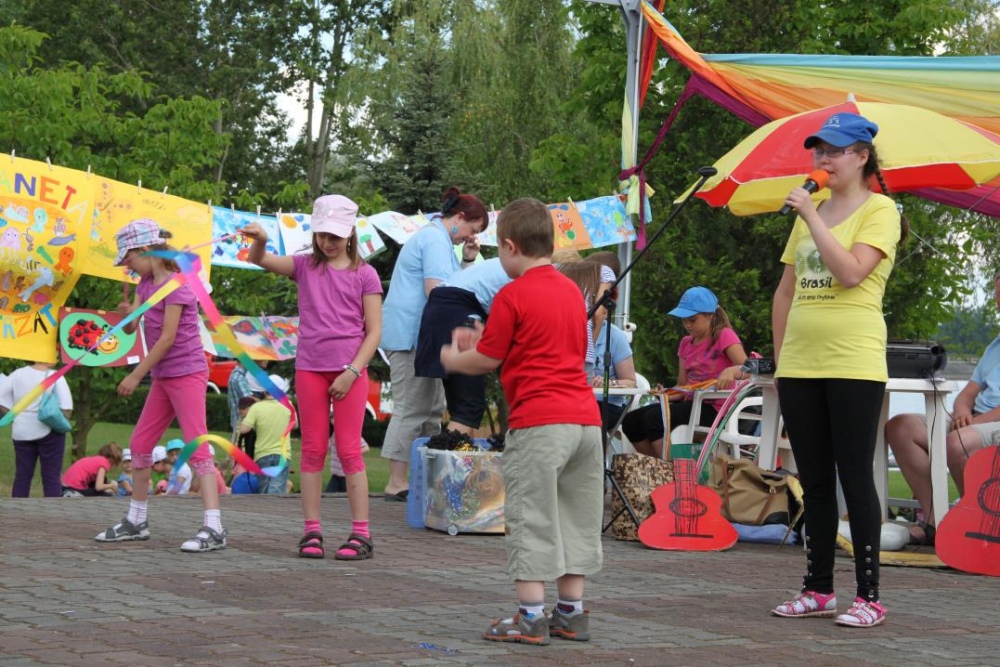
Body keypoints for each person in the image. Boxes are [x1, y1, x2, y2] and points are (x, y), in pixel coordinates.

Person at [440, 197, 603, 646]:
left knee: (532, 517)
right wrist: (486, 341)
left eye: (499, 250)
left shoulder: (512, 295)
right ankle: (570, 613)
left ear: (511, 247)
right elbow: (549, 347)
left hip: (540, 423)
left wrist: (454, 357)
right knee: (575, 519)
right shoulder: (572, 292)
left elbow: (488, 359)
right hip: (585, 423)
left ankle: (530, 617)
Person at [770, 112, 905, 628]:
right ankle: (818, 588)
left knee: (854, 474)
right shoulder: (812, 214)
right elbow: (785, 292)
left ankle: (869, 595)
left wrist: (812, 217)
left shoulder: (881, 210)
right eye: (817, 150)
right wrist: (781, 362)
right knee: (814, 480)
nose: (822, 159)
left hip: (853, 360)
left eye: (833, 150)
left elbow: (851, 273)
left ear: (862, 156)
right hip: (800, 362)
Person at [242, 194, 382, 560]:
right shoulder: (304, 266)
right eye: (322, 234)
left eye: (335, 235)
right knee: (313, 450)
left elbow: (374, 332)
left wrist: (352, 372)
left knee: (349, 450)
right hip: (310, 369)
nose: (328, 242)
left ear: (350, 233)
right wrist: (260, 239)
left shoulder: (365, 275)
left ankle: (361, 534)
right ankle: (311, 530)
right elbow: (258, 259)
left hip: (350, 372)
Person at [95, 218, 227, 552]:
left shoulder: (178, 285)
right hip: (163, 376)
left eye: (129, 259)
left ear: (144, 250)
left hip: (187, 372)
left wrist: (135, 375)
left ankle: (214, 527)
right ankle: (136, 521)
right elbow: (132, 328)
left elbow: (167, 338)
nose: (128, 267)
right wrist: (127, 315)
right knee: (140, 444)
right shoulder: (145, 284)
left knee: (197, 445)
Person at [380, 187, 488, 501]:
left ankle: (422, 478)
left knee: (431, 411)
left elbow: (451, 286)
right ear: (460, 217)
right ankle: (396, 482)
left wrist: (467, 261)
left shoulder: (439, 241)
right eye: (472, 229)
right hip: (410, 337)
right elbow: (439, 292)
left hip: (422, 338)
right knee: (412, 409)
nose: (470, 237)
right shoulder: (435, 240)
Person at [885, 270, 1000, 545]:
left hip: (987, 423)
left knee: (957, 442)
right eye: (998, 296)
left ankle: (978, 527)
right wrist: (962, 411)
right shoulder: (995, 345)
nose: (999, 302)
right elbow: (968, 392)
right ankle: (936, 521)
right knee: (900, 427)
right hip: (974, 421)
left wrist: (972, 423)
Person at [620, 287, 747, 459]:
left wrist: (732, 370)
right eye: (684, 320)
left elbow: (750, 369)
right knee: (631, 421)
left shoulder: (724, 335)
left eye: (692, 320)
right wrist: (667, 394)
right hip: (691, 405)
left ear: (710, 316)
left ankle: (673, 470)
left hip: (716, 409)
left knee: (654, 418)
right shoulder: (686, 343)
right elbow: (683, 386)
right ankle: (658, 468)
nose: (687, 325)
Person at [414, 257, 512, 435]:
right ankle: (446, 452)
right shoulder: (535, 275)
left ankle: (454, 451)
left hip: (445, 311)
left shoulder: (512, 264)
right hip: (459, 314)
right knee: (468, 407)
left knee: (463, 407)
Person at [0, 361, 74, 497]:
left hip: (21, 430)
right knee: (51, 476)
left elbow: (1, 398)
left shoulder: (17, 374)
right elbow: (67, 408)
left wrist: (14, 416)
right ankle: (52, 508)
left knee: (22, 476)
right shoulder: (55, 376)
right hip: (48, 430)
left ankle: (18, 508)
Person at [240, 374, 293, 495]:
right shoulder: (288, 405)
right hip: (283, 454)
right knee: (277, 490)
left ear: (263, 391)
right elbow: (295, 425)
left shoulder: (257, 408)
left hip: (262, 454)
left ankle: (266, 506)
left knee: (264, 489)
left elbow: (244, 429)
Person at [592, 320, 637, 433]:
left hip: (608, 404)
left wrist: (608, 383)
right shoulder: (569, 330)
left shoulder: (615, 335)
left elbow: (631, 382)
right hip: (576, 400)